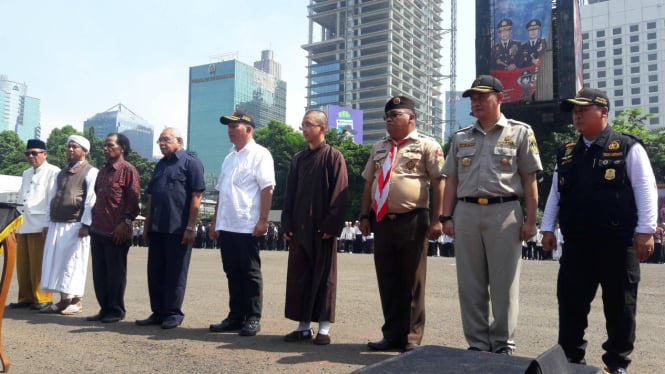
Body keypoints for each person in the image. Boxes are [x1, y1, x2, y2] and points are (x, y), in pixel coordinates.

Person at [541, 88, 658, 374]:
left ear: (603, 112)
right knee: (571, 305)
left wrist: (646, 230)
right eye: (574, 110)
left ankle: (616, 365)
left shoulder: (627, 147)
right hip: (577, 244)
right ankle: (570, 362)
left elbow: (645, 188)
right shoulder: (568, 153)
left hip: (617, 244)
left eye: (584, 109)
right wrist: (547, 228)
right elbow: (556, 193)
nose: (577, 114)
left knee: (620, 307)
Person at [441, 75, 542, 355]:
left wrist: (531, 220)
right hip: (466, 212)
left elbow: (529, 178)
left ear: (500, 98)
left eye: (481, 97)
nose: (476, 102)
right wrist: (445, 217)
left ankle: (502, 344)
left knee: (504, 283)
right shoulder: (461, 137)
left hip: (504, 211)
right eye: (472, 98)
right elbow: (450, 180)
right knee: (470, 283)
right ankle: (476, 342)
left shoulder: (520, 132)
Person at [359, 96, 445, 352]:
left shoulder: (427, 145)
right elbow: (368, 183)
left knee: (412, 280)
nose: (389, 119)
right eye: (387, 116)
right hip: (382, 220)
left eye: (395, 114)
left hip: (413, 219)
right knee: (387, 278)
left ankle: (411, 337)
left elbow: (439, 182)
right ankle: (392, 334)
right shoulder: (378, 147)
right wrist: (365, 215)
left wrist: (438, 219)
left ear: (411, 118)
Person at [281, 110, 350, 345]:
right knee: (300, 276)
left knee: (324, 277)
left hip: (322, 229)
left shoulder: (333, 156)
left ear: (322, 128)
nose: (304, 129)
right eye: (302, 125)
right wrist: (287, 222)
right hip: (300, 228)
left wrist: (332, 224)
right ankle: (302, 326)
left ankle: (324, 328)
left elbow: (341, 194)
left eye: (309, 125)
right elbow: (289, 194)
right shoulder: (298, 159)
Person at [208, 110, 275, 337]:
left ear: (248, 128)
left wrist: (263, 220)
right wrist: (215, 221)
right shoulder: (229, 158)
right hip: (227, 224)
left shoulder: (260, 154)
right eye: (228, 126)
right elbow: (221, 192)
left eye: (234, 126)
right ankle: (235, 316)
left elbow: (267, 188)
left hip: (247, 224)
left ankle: (253, 317)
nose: (229, 130)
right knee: (232, 272)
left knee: (250, 273)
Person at [136, 127, 205, 329]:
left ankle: (173, 312)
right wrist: (147, 225)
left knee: (175, 272)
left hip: (178, 228)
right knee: (155, 272)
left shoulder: (191, 163)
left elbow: (197, 196)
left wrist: (191, 227)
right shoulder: (160, 165)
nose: (162, 143)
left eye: (166, 139)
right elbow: (151, 197)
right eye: (160, 141)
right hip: (157, 227)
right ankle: (158, 311)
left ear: (179, 140)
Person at [40, 135, 99, 315]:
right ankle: (63, 300)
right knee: (57, 262)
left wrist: (86, 224)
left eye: (75, 147)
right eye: (69, 147)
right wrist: (47, 223)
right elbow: (52, 198)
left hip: (75, 225)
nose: (71, 150)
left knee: (73, 263)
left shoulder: (91, 171)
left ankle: (77, 301)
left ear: (85, 150)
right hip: (57, 223)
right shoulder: (60, 173)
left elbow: (91, 201)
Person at [87, 133, 140, 323]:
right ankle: (104, 308)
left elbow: (134, 202)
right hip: (98, 229)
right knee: (100, 274)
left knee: (115, 274)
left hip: (117, 231)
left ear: (122, 148)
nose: (105, 148)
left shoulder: (128, 170)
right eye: (104, 145)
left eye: (110, 145)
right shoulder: (102, 172)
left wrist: (125, 223)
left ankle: (116, 310)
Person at [10, 139, 60, 311]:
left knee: (39, 263)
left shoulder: (53, 172)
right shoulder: (26, 173)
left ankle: (43, 298)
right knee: (23, 263)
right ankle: (26, 297)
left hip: (41, 223)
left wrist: (48, 223)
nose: (31, 156)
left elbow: (52, 200)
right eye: (28, 153)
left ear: (45, 154)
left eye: (35, 153)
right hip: (24, 222)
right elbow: (21, 198)